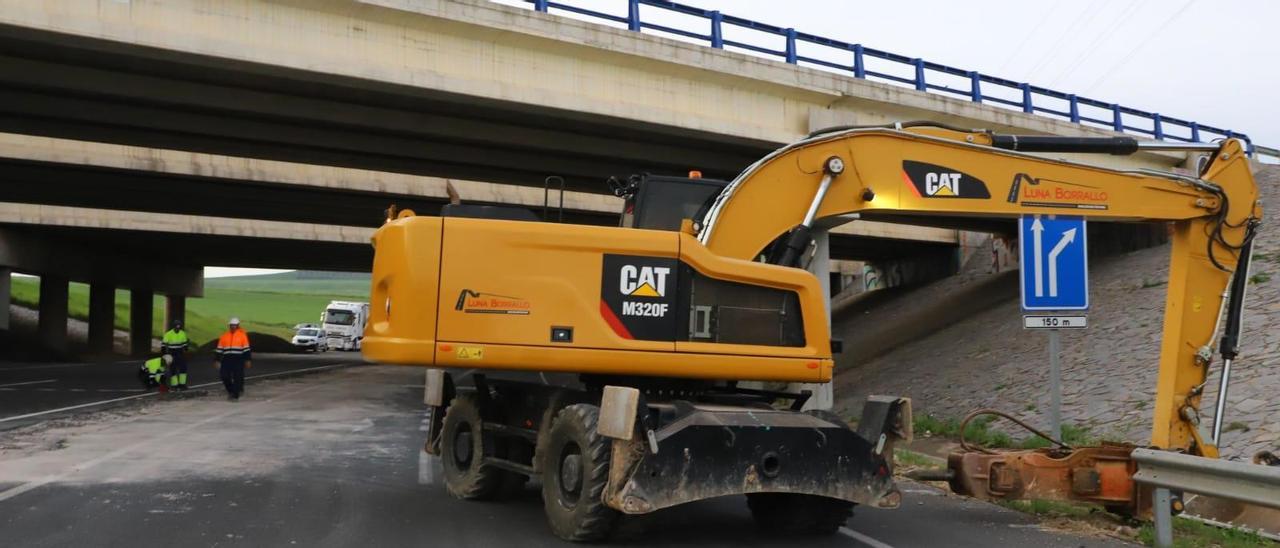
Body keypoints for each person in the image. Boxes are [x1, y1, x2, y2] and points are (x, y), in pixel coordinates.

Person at [214, 317, 252, 401]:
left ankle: (235, 395)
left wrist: (248, 360)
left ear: (238, 326)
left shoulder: (242, 336)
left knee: (237, 377)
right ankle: (231, 390)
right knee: (224, 376)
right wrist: (217, 360)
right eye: (231, 325)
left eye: (235, 325)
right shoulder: (224, 336)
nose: (233, 327)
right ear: (229, 326)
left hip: (238, 359)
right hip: (227, 359)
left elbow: (246, 349)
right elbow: (219, 349)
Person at [161, 320, 194, 391]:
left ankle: (182, 384)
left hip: (180, 353)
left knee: (183, 368)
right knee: (173, 369)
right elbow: (163, 345)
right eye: (176, 326)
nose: (178, 328)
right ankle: (175, 385)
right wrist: (165, 355)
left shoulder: (183, 333)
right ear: (174, 327)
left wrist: (187, 350)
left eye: (179, 326)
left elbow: (185, 345)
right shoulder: (168, 334)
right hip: (172, 353)